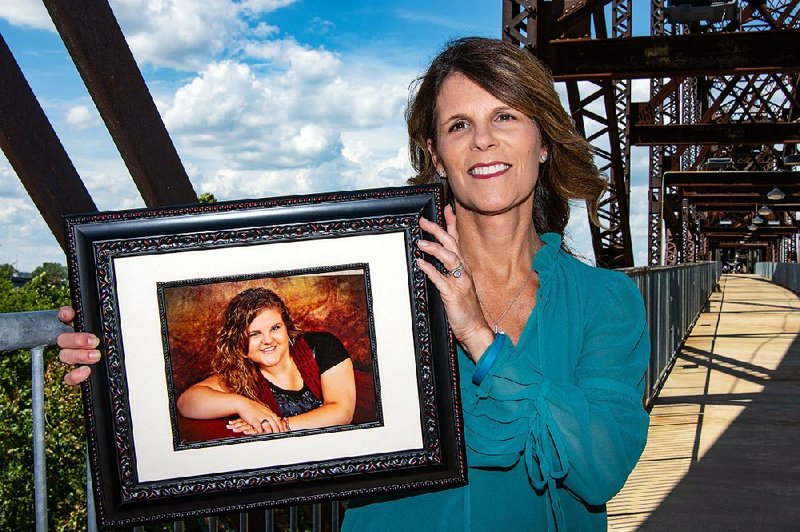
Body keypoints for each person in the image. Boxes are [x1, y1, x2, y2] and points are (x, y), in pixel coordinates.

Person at [58, 37, 649, 530]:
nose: (483, 141)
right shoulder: (382, 282)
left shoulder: (606, 301)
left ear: (543, 142)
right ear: (436, 155)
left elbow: (602, 467)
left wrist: (480, 338)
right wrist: (122, 348)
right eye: (459, 125)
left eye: (506, 117)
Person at [176, 287, 355, 434]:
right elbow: (186, 402)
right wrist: (243, 405)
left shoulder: (322, 345)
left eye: (275, 328)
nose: (268, 340)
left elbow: (342, 412)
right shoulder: (241, 373)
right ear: (240, 344)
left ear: (287, 328)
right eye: (255, 334)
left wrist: (276, 426)